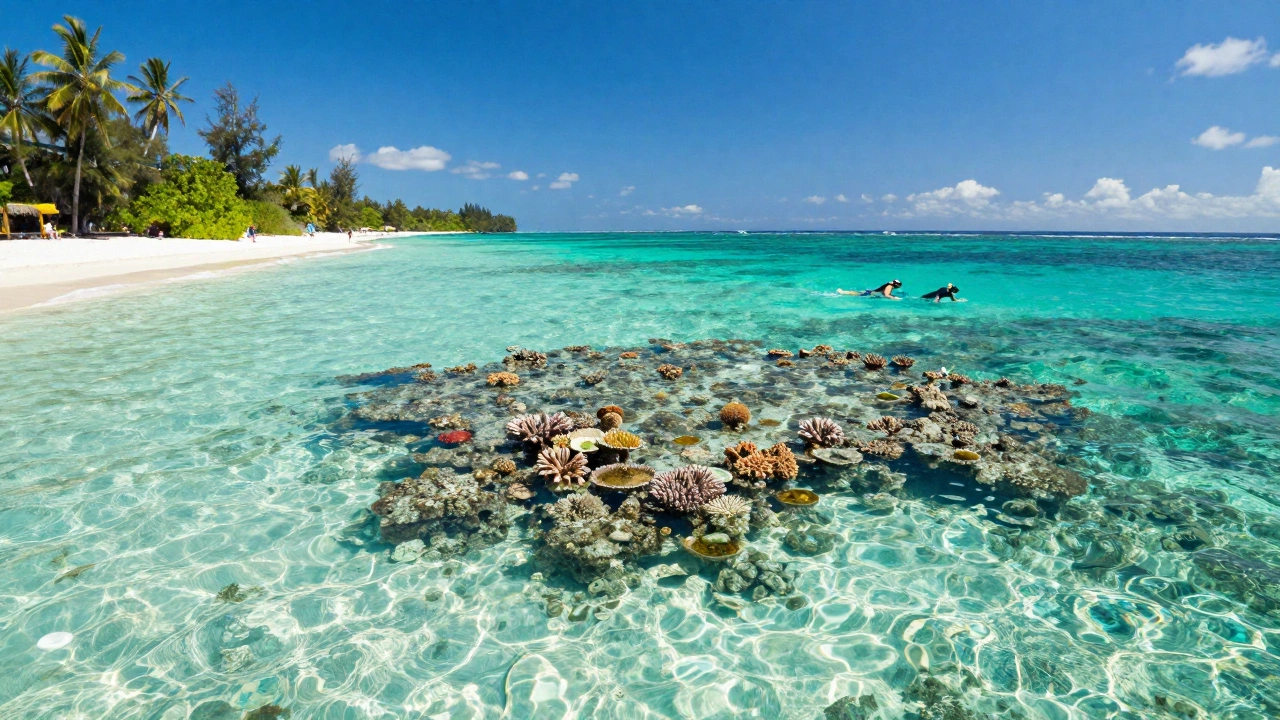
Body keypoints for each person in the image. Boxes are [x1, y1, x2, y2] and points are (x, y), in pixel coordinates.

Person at [837, 279, 902, 299]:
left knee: (857, 293)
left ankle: (842, 292)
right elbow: (886, 295)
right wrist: (894, 298)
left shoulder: (889, 285)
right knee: (855, 294)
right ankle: (842, 292)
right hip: (869, 293)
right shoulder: (889, 286)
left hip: (870, 292)